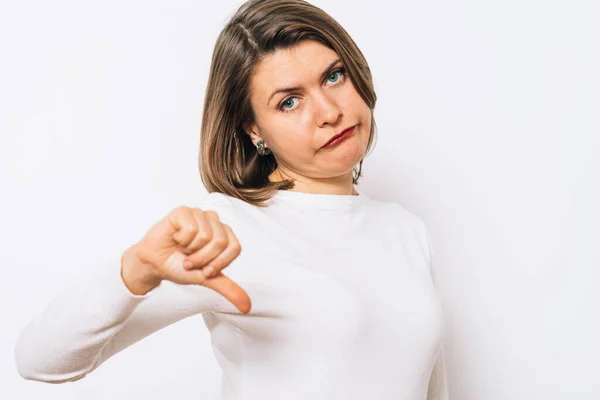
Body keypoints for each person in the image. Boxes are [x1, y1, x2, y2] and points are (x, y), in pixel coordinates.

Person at [14, 0, 450, 399]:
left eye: (333, 76)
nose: (329, 111)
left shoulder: (407, 230)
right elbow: (39, 360)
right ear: (253, 130)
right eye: (290, 102)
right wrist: (136, 269)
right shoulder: (231, 232)